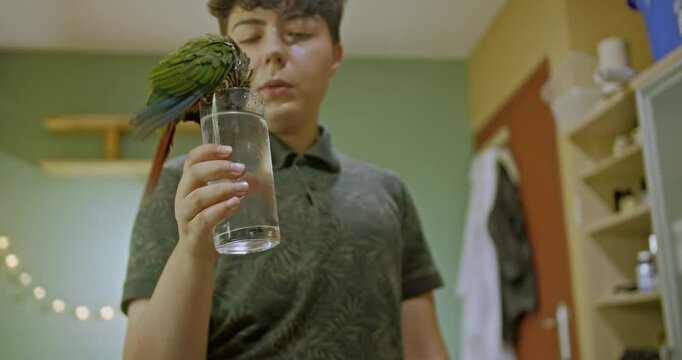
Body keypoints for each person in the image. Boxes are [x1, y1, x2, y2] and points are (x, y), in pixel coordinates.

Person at [121, 1, 449, 359]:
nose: (274, 51)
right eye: (250, 36)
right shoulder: (183, 188)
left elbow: (425, 347)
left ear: (335, 56)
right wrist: (194, 252)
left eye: (299, 34)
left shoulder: (389, 192)